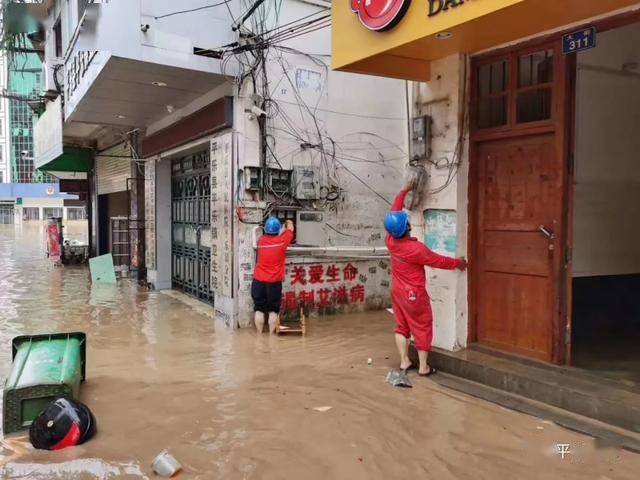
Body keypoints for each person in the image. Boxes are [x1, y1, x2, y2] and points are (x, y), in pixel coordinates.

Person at [384, 180, 467, 376]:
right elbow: (438, 261)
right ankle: (423, 367)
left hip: (397, 291)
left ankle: (404, 361)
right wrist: (459, 263)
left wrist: (404, 190)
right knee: (422, 326)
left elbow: (393, 213)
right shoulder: (416, 250)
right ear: (407, 227)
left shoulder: (390, 241)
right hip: (414, 294)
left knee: (401, 326)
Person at [252, 216, 295, 334]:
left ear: (265, 229)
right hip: (274, 283)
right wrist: (287, 222)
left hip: (258, 281)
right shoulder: (282, 241)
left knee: (259, 309)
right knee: (273, 311)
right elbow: (290, 228)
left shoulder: (260, 241)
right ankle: (271, 337)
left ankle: (259, 336)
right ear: (278, 230)